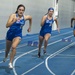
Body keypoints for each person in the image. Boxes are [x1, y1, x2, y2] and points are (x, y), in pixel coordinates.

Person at [3, 4, 32, 68]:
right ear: (17, 10)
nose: (21, 11)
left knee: (13, 47)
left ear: (24, 11)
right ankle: (5, 56)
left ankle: (10, 62)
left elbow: (30, 18)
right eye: (20, 10)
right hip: (10, 34)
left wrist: (30, 27)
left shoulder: (25, 17)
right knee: (7, 49)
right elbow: (7, 25)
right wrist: (14, 21)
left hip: (18, 35)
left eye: (22, 10)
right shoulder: (13, 16)